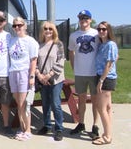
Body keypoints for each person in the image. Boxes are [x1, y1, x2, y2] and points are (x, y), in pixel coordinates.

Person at [68, 10, 100, 138]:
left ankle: (95, 125)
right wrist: (74, 67)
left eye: (86, 18)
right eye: (81, 18)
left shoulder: (97, 34)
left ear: (90, 20)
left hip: (94, 72)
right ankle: (81, 123)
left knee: (95, 101)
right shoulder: (74, 36)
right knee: (81, 100)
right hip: (80, 73)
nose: (83, 20)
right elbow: (71, 52)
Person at [8, 17, 39, 141]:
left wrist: (31, 76)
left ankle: (28, 130)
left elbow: (33, 60)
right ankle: (22, 128)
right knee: (18, 104)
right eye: (14, 26)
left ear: (25, 26)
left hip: (24, 73)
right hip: (13, 72)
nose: (17, 28)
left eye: (19, 25)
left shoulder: (30, 41)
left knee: (24, 104)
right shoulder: (12, 40)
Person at [35, 21, 66, 141]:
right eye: (45, 29)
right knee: (45, 104)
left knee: (56, 104)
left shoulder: (58, 44)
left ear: (54, 31)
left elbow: (61, 61)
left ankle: (59, 128)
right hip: (42, 79)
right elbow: (35, 62)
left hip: (55, 80)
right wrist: (39, 75)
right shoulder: (39, 45)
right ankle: (47, 125)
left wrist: (49, 75)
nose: (48, 31)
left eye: (50, 29)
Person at [92, 21, 118, 145]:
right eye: (99, 29)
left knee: (100, 108)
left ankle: (107, 137)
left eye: (104, 29)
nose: (101, 31)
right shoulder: (102, 44)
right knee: (107, 108)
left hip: (106, 79)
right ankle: (108, 133)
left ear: (109, 31)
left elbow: (109, 63)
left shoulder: (110, 44)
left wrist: (101, 80)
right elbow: (115, 58)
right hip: (101, 76)